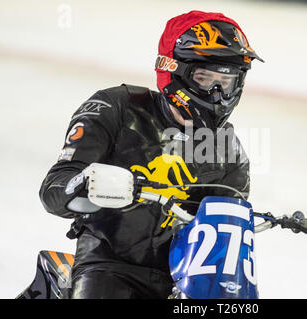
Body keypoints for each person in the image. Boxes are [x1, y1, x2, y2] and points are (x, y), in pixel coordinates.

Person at [39, 10, 263, 299]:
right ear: (175, 71)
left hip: (184, 280)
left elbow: (225, 235)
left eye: (226, 81)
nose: (217, 92)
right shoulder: (116, 108)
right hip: (108, 266)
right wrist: (86, 182)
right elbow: (53, 191)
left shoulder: (229, 151)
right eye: (205, 78)